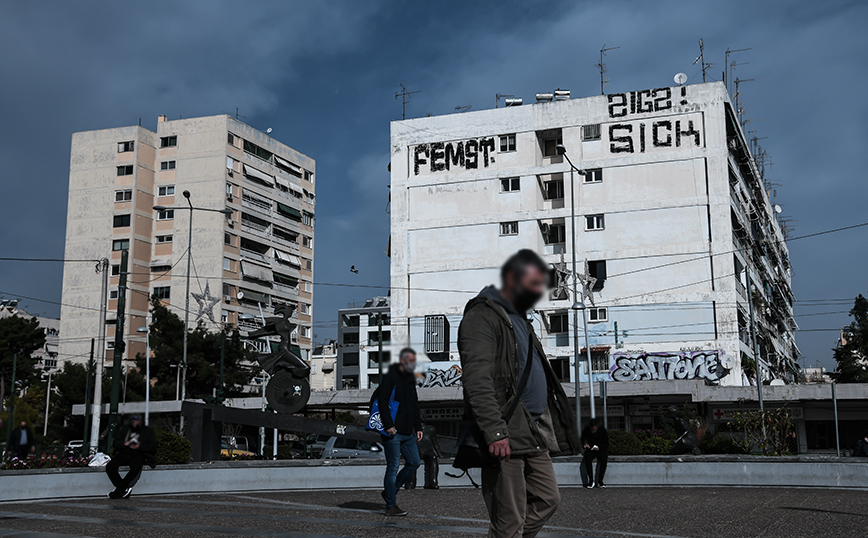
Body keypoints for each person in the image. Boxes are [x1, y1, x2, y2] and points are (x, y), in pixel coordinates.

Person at [459, 249, 580, 538]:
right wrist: (495, 431)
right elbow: (477, 379)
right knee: (508, 517)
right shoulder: (483, 317)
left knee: (548, 498)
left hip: (533, 428)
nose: (538, 292)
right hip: (507, 430)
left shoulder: (521, 320)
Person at [378, 348, 422, 516]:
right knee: (393, 467)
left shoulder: (410, 379)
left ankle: (390, 491)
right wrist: (388, 424)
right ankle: (390, 505)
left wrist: (418, 427)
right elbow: (382, 400)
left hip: (407, 432)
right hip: (393, 432)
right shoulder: (392, 376)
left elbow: (414, 405)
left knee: (415, 462)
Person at [105, 415, 157, 499]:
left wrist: (139, 446)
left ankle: (120, 490)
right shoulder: (125, 430)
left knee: (135, 467)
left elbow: (152, 446)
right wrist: (124, 444)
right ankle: (123, 488)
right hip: (125, 453)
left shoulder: (147, 432)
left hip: (139, 454)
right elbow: (115, 443)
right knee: (110, 466)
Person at [581, 419, 609, 488]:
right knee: (587, 458)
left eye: (594, 427)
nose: (593, 429)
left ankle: (600, 481)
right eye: (592, 427)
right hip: (590, 449)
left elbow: (606, 443)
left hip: (600, 449)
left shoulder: (602, 430)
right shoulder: (587, 430)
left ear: (597, 426)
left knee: (603, 459)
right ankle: (591, 481)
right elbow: (582, 439)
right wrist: (585, 444)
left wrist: (600, 447)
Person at [418, 423, 443, 489]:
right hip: (416, 448)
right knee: (413, 459)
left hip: (428, 449)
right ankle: (411, 482)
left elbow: (435, 443)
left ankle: (433, 481)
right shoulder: (411, 429)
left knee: (433, 457)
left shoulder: (430, 429)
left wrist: (440, 454)